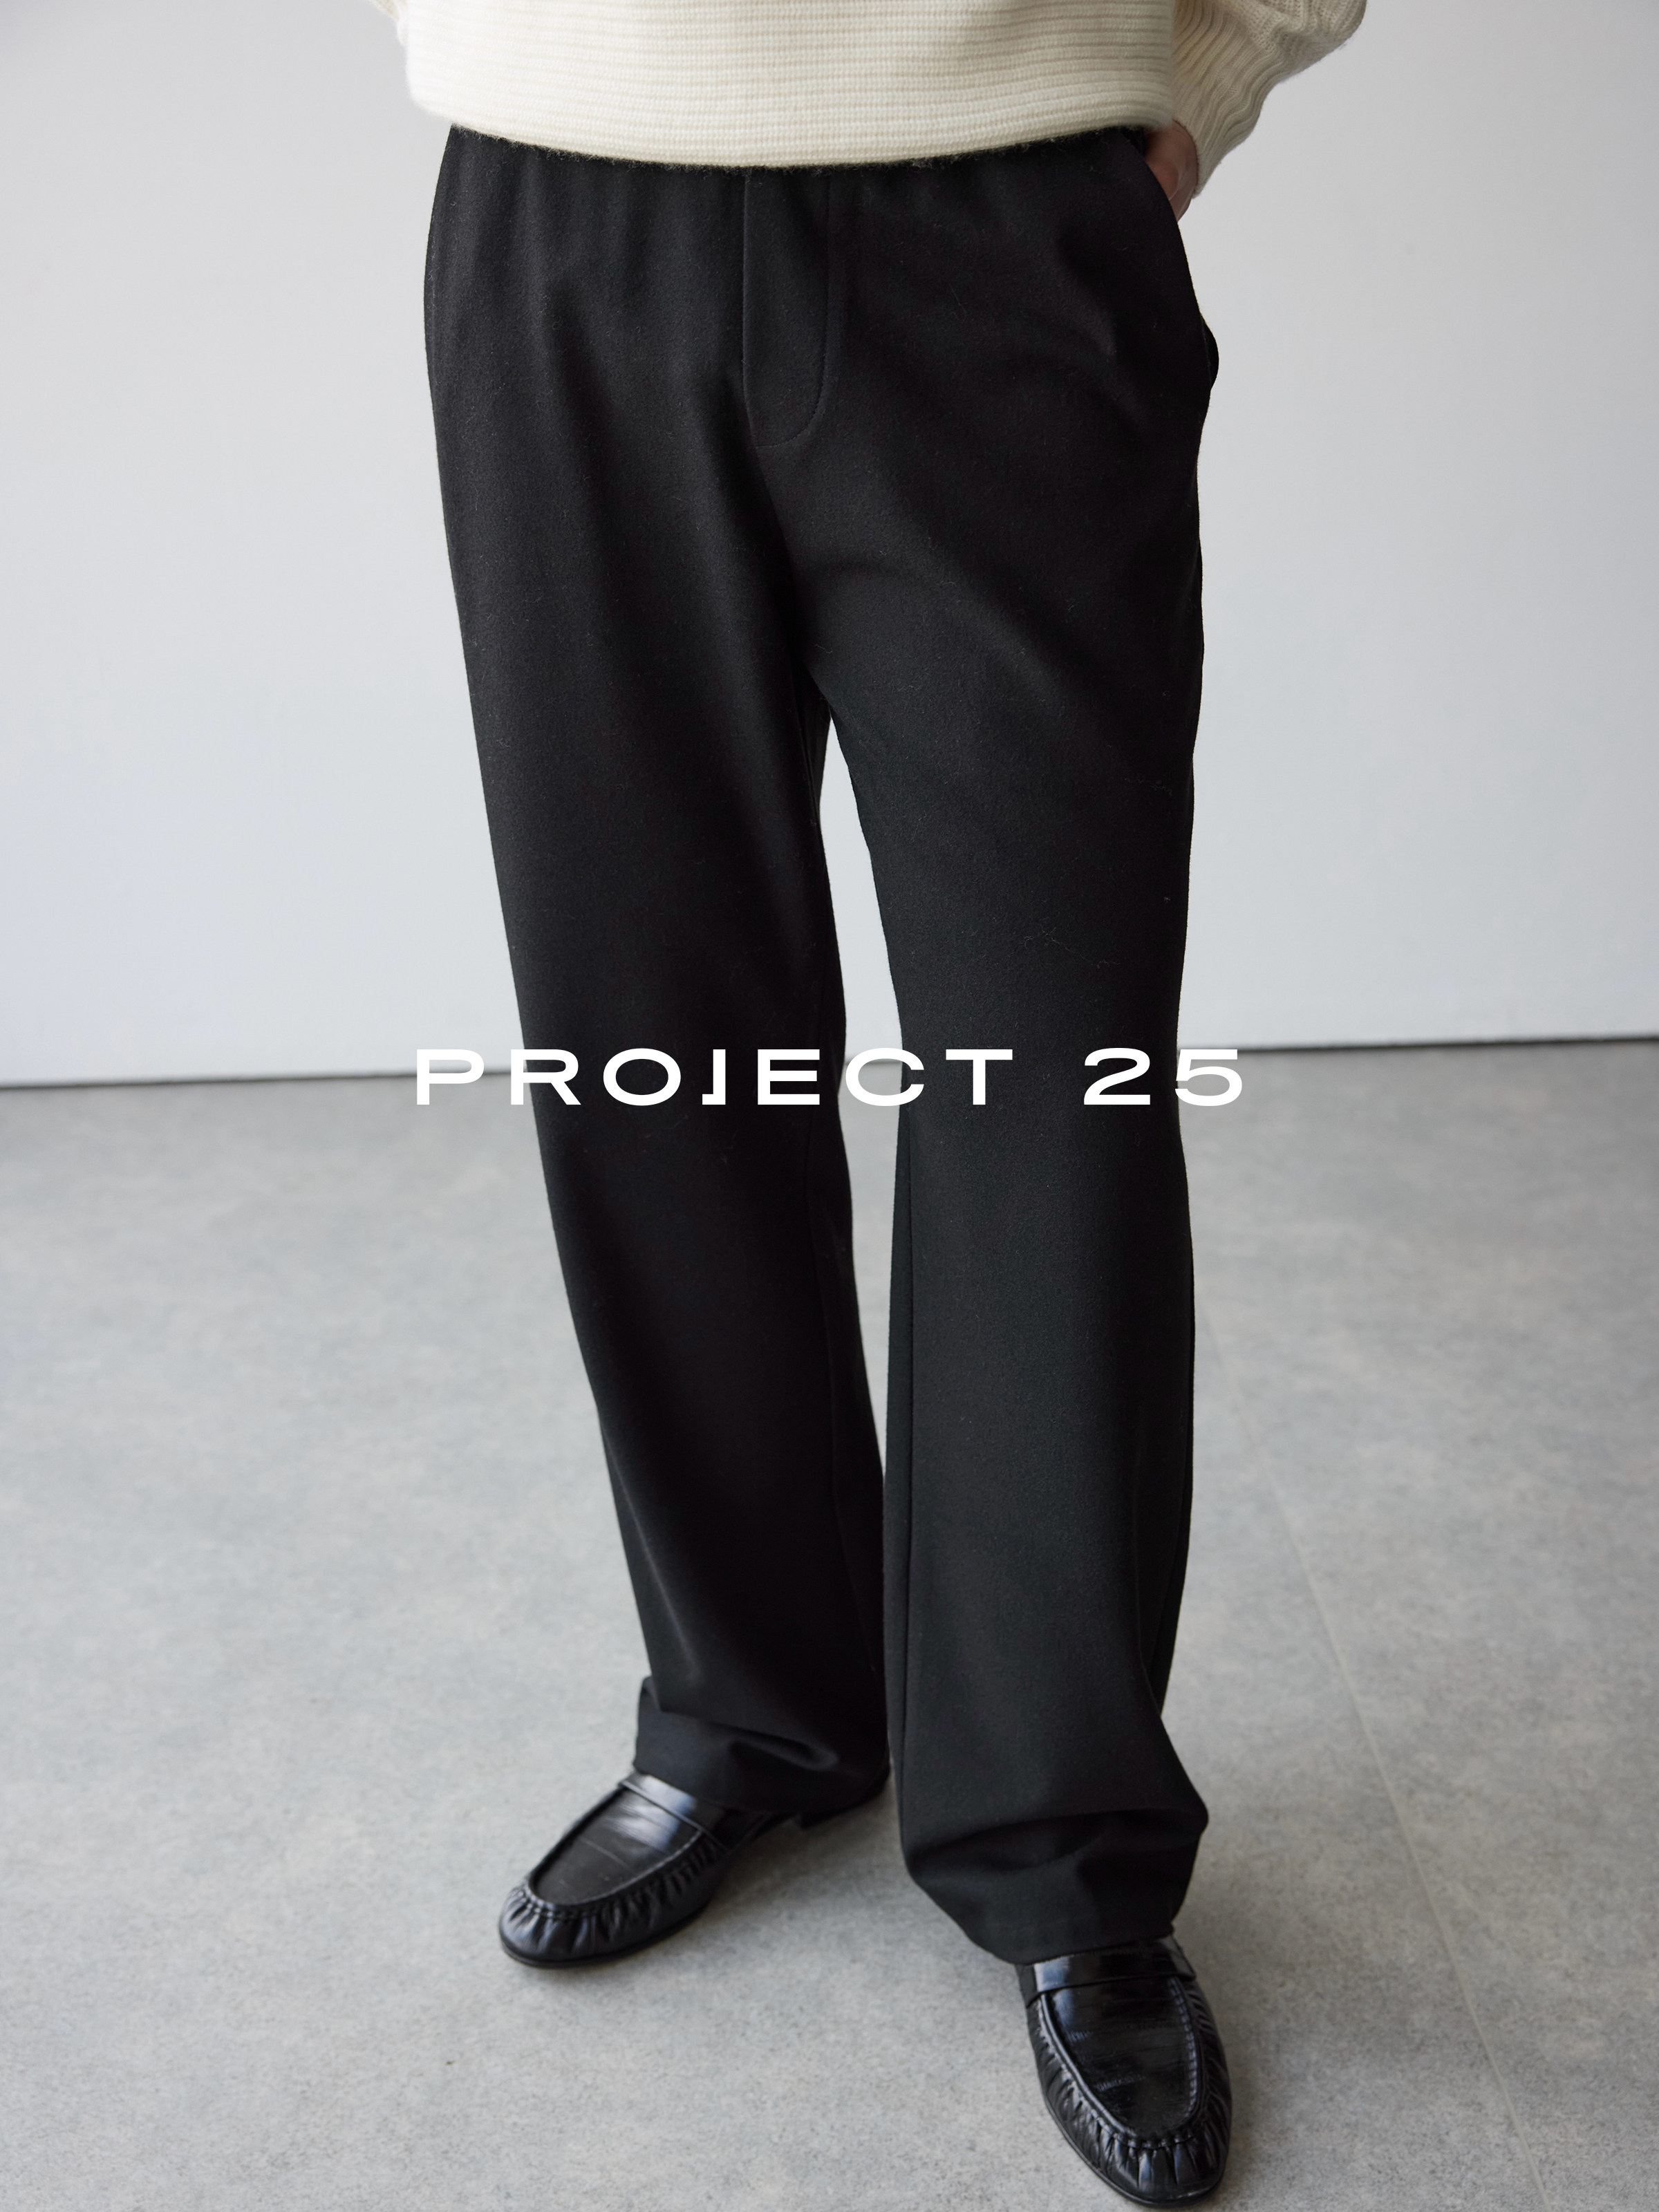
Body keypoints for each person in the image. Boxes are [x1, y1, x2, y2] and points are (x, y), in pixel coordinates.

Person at [374, 0, 1362, 2198]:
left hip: (1002, 211)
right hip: (561, 216)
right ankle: (755, 1708)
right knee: (646, 1037)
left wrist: (1208, 75)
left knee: (1054, 1072)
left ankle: (1061, 1838)